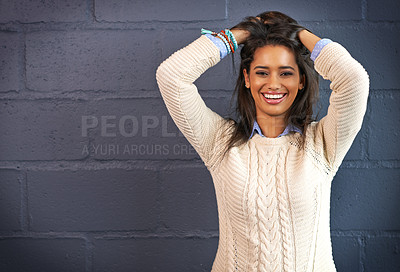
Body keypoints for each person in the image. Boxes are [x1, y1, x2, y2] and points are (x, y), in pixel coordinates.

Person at [156, 11, 369, 272]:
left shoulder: (322, 143)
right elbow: (171, 76)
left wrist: (296, 32)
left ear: (301, 80)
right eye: (262, 72)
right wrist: (243, 32)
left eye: (286, 73)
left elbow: (354, 80)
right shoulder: (219, 143)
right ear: (247, 78)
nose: (273, 84)